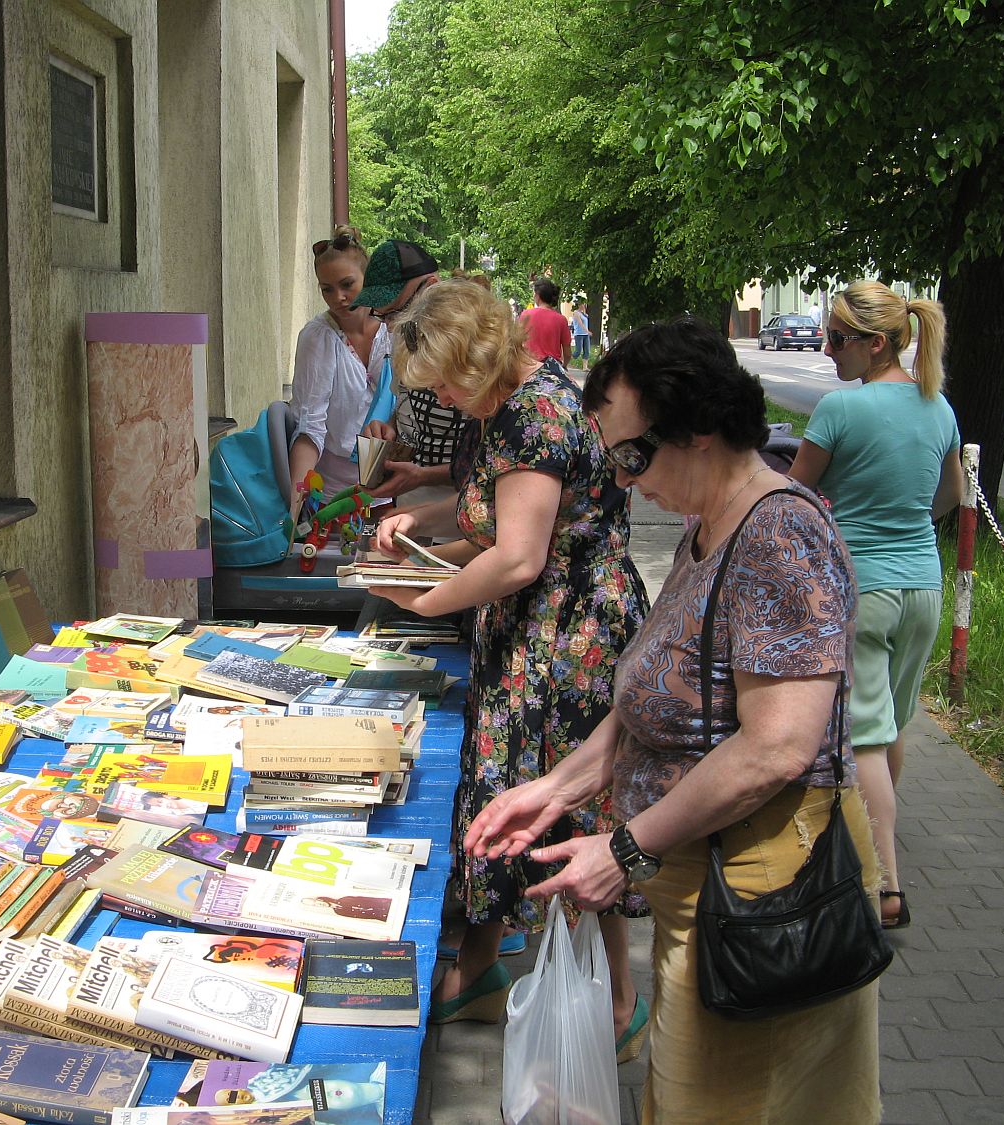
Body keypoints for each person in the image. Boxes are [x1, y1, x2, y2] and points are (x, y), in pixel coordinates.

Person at [467, 318, 879, 1120]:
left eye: (630, 456)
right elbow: (652, 707)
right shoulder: (709, 525)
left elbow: (776, 748)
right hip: (713, 882)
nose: (622, 480)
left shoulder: (781, 536)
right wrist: (552, 789)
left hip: (764, 892)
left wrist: (623, 850)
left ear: (696, 430)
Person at [369, 282, 649, 1038]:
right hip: (535, 633)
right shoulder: (509, 404)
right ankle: (483, 966)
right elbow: (490, 521)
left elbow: (518, 557)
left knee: (572, 812)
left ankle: (621, 1001)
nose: (451, 402)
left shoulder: (536, 413)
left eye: (450, 385)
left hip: (569, 643)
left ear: (481, 355)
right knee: (506, 795)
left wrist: (428, 600)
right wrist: (415, 529)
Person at [790, 281, 961, 930]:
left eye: (837, 339)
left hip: (861, 589)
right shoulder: (936, 407)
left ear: (875, 344)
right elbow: (948, 498)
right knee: (892, 722)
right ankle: (877, 819)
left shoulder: (840, 410)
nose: (828, 349)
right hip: (923, 586)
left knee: (863, 729)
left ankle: (886, 883)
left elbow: (793, 495)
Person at [351, 239, 467, 507]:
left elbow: (491, 461)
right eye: (381, 316)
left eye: (397, 312)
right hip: (412, 498)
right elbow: (405, 401)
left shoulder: (468, 352)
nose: (390, 327)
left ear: (432, 288)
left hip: (461, 508)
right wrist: (390, 427)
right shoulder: (405, 334)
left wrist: (424, 476)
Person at [287, 226, 392, 497]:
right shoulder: (318, 337)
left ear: (367, 278)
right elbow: (309, 425)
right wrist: (297, 499)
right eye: (327, 289)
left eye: (347, 285)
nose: (338, 298)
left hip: (395, 481)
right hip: (334, 491)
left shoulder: (394, 329)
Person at [518, 277, 572, 367]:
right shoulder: (561, 320)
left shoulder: (526, 315)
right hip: (552, 367)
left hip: (530, 366)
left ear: (538, 296)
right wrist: (564, 366)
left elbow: (518, 343)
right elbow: (567, 352)